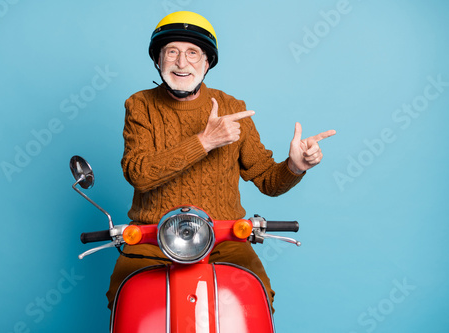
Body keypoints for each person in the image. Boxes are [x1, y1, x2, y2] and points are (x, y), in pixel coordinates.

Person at [106, 11, 335, 312]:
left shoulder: (232, 107)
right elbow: (139, 173)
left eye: (192, 53)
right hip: (153, 238)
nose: (181, 62)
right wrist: (204, 142)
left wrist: (295, 167)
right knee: (126, 299)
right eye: (171, 52)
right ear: (158, 60)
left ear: (207, 62)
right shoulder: (141, 105)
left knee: (256, 299)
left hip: (224, 238)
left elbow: (267, 179)